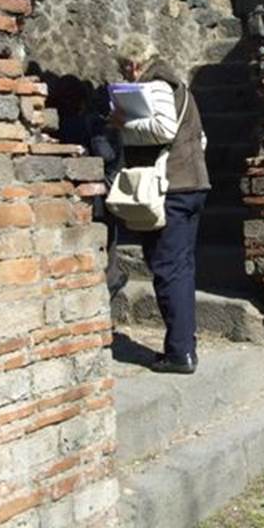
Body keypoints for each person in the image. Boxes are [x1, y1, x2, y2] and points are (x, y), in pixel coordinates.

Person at [111, 34, 210, 374]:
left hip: (172, 190)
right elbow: (200, 138)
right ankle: (184, 346)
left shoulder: (156, 84)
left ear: (133, 64)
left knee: (167, 269)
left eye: (124, 69)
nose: (125, 75)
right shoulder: (179, 85)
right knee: (180, 268)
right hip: (193, 184)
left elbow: (164, 129)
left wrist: (124, 124)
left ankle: (180, 354)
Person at [50, 76, 126, 299]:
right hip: (96, 198)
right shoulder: (90, 123)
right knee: (106, 244)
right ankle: (109, 283)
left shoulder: (56, 124)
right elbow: (105, 154)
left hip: (64, 198)